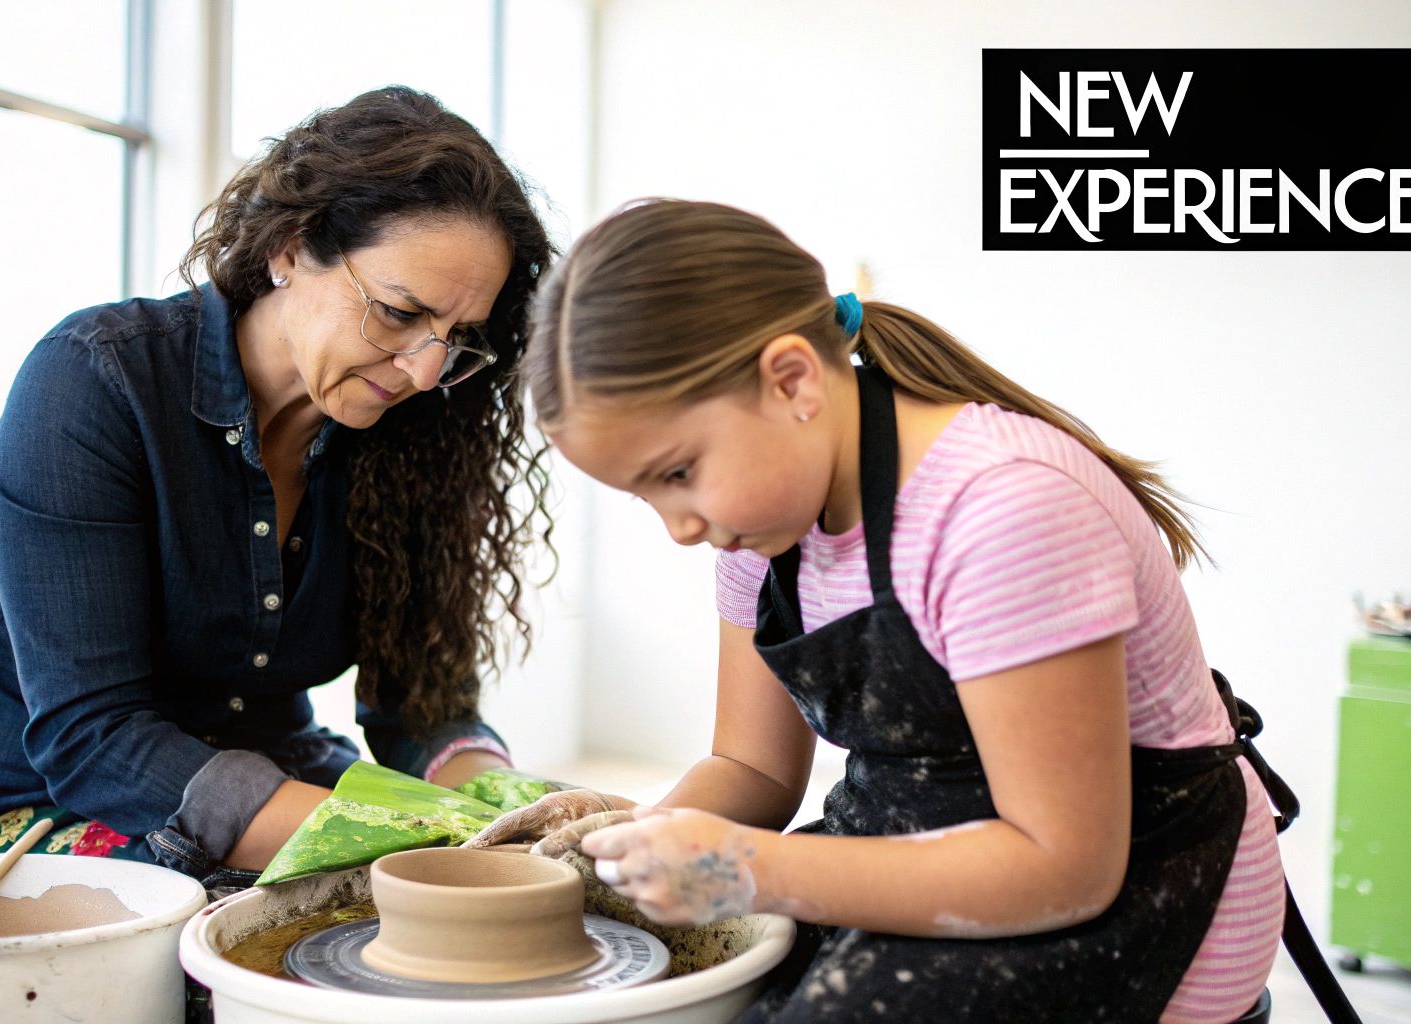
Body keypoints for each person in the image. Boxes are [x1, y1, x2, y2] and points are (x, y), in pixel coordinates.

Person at [472, 199, 1285, 1022]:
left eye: (677, 473)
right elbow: (753, 771)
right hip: (924, 844)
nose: (679, 529)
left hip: (1138, 890)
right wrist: (622, 833)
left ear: (792, 380)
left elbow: (1065, 867)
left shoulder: (1001, 509)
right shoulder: (759, 532)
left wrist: (746, 868)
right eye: (643, 494)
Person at [0, 87, 554, 888]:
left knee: (527, 887)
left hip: (273, 777)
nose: (428, 370)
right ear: (292, 248)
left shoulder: (409, 437)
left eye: (459, 339)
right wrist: (426, 838)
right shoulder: (95, 381)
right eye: (402, 312)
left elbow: (423, 708)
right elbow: (94, 737)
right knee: (324, 945)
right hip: (30, 814)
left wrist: (513, 810)